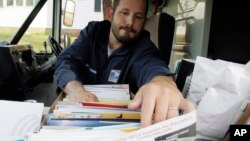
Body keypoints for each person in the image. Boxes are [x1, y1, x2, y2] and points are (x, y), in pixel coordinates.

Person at [55, 0, 194, 127]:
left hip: (116, 125)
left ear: (144, 22)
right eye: (125, 13)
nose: (130, 22)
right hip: (78, 117)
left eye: (138, 17)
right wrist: (76, 90)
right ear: (110, 14)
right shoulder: (93, 32)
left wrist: (163, 82)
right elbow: (66, 60)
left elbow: (152, 66)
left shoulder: (144, 47)